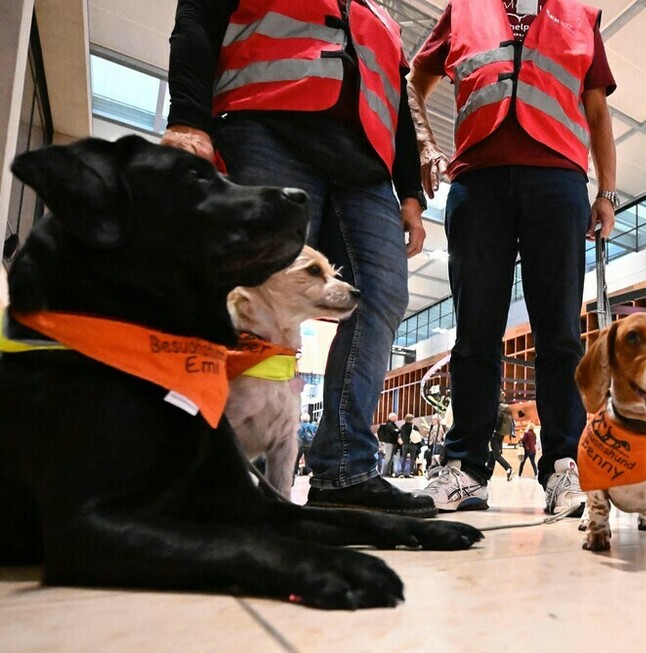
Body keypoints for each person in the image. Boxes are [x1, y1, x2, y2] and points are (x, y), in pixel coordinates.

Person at [162, 0, 436, 518]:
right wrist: (187, 116)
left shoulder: (381, 17)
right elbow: (198, 16)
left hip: (367, 166)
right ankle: (202, 460)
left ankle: (344, 469)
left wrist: (409, 194)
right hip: (266, 125)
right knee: (244, 284)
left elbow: (397, 102)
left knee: (380, 294)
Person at [409, 0, 618, 515]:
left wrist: (607, 193)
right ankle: (465, 470)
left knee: (561, 336)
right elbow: (413, 79)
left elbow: (597, 110)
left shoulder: (581, 15)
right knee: (475, 334)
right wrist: (423, 144)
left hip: (559, 182)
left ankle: (565, 466)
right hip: (476, 182)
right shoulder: (463, 10)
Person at [489, 400, 515, 482]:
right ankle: (488, 474)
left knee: (496, 455)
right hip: (501, 434)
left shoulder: (498, 408)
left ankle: (508, 468)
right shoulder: (505, 408)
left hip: (495, 434)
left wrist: (492, 430)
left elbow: (496, 420)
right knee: (492, 454)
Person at [376, 413, 402, 478]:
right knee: (388, 458)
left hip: (392, 443)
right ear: (391, 417)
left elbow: (397, 431)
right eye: (395, 417)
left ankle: (388, 472)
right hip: (389, 443)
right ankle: (384, 473)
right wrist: (397, 431)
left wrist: (397, 430)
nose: (396, 418)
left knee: (390, 458)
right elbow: (394, 431)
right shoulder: (389, 425)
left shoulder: (392, 424)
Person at [399, 414, 420, 478]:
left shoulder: (403, 427)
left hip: (405, 444)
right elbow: (418, 435)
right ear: (411, 419)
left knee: (403, 458)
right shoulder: (414, 427)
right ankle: (411, 472)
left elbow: (401, 435)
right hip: (413, 444)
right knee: (412, 459)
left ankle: (401, 472)